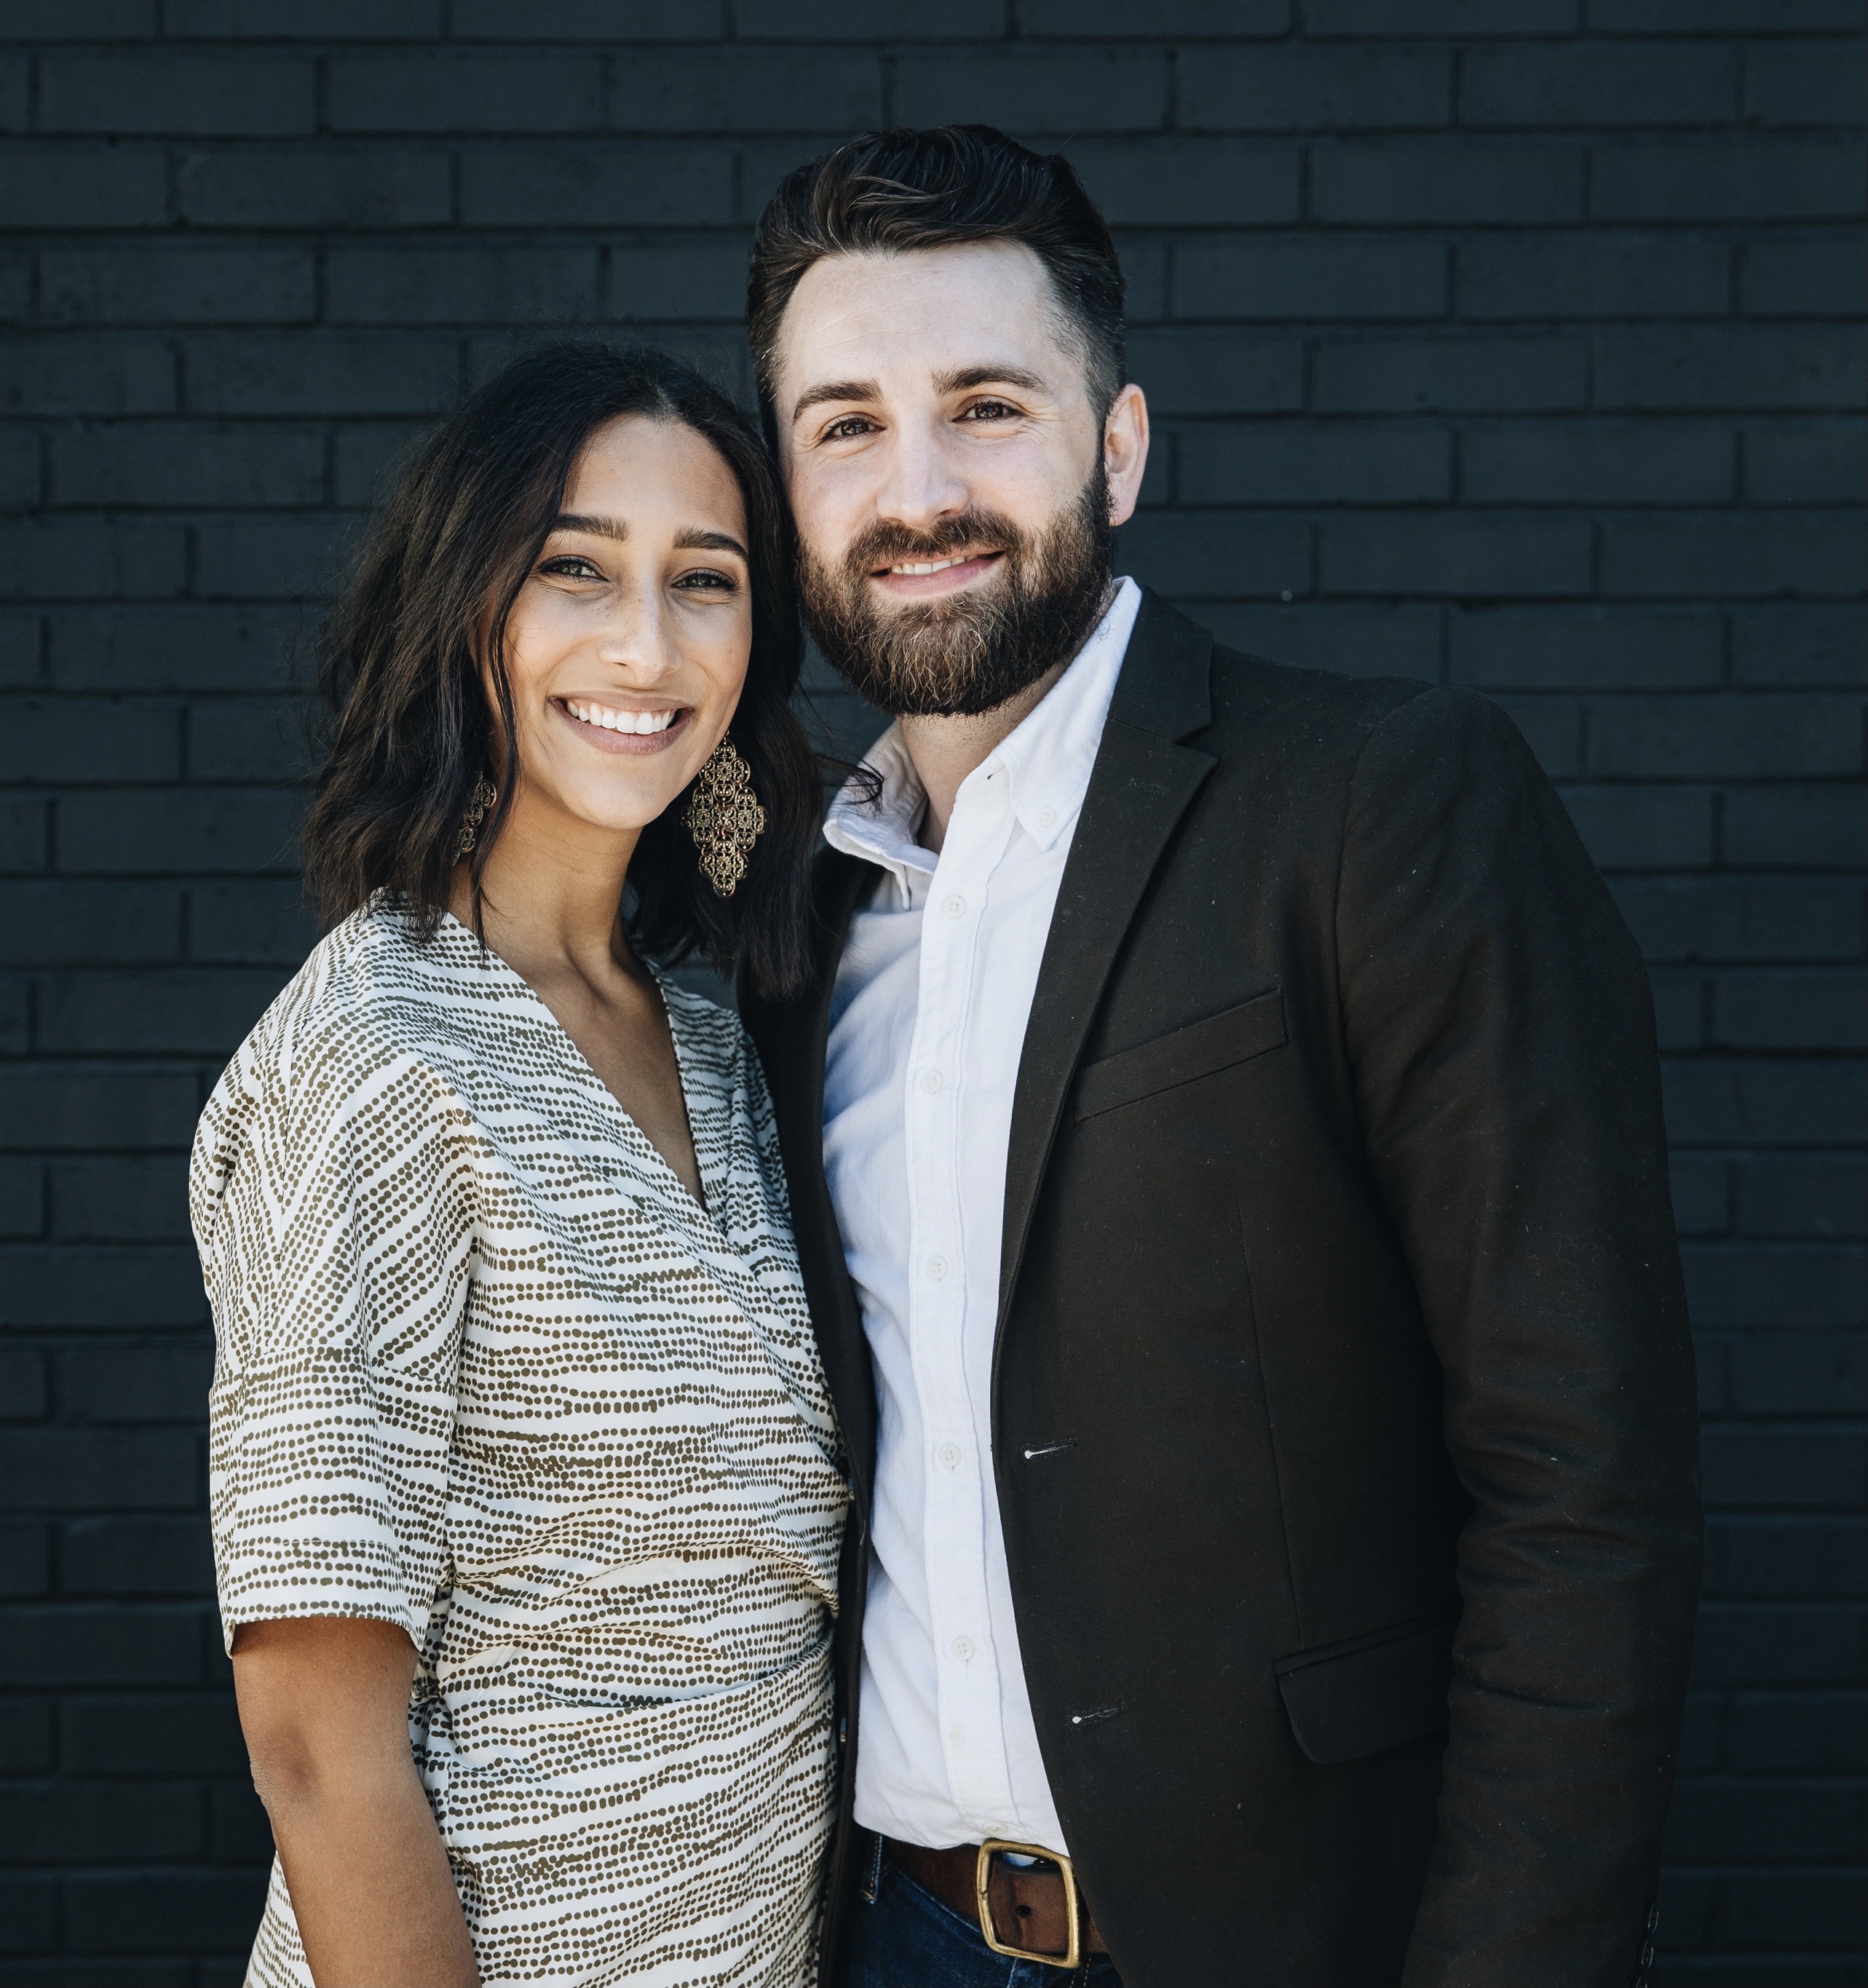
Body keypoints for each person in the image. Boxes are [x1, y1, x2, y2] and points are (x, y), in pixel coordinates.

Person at [737, 126, 1704, 1988]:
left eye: (986, 406)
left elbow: (1583, 1482)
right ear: (786, 491)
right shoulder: (789, 904)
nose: (915, 485)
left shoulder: (1379, 809)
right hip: (883, 1935)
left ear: (1118, 447)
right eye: (845, 423)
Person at [189, 343, 848, 1988]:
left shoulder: (703, 1021)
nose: (646, 644)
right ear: (465, 607)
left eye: (706, 581)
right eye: (576, 570)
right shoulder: (376, 1055)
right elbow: (315, 1749)